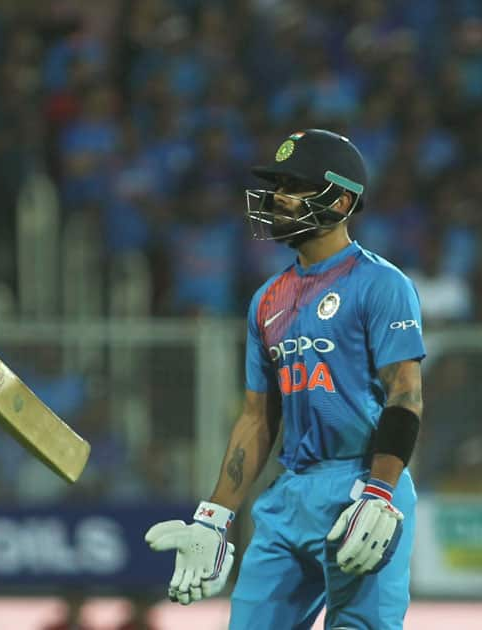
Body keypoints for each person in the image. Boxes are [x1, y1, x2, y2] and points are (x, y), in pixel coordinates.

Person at [145, 129, 425, 630]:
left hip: (362, 486)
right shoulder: (266, 300)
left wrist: (380, 492)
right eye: (277, 186)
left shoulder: (382, 284)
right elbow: (256, 419)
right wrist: (214, 517)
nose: (278, 198)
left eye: (293, 186)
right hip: (289, 493)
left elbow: (405, 394)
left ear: (340, 200)